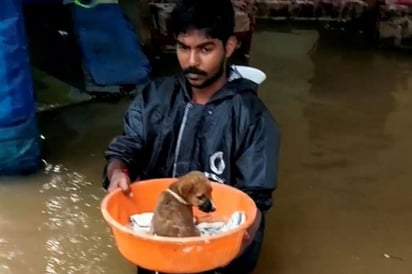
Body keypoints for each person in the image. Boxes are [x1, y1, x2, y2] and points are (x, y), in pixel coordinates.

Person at [102, 0, 281, 273]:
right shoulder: (154, 97)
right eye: (184, 48)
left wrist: (224, 252)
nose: (192, 61)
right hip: (159, 242)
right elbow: (126, 148)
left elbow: (254, 200)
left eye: (205, 49)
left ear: (229, 46)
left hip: (222, 252)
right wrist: (118, 172)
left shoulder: (252, 117)